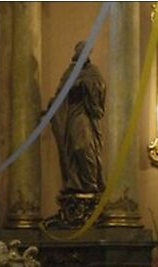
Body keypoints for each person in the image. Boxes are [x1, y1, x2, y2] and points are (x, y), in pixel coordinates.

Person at [48, 40, 106, 195]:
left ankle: (90, 182)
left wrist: (83, 84)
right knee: (73, 147)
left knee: (84, 146)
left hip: (85, 114)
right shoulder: (70, 71)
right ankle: (76, 182)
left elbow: (99, 86)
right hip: (72, 113)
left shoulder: (93, 71)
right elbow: (60, 92)